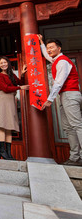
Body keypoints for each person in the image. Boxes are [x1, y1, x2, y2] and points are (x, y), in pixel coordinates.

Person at [38, 35, 82, 166]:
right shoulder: (56, 60)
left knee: (77, 125)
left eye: (51, 47)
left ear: (59, 48)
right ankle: (75, 157)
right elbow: (46, 55)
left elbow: (58, 82)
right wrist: (41, 42)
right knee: (69, 127)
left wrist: (50, 99)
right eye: (48, 48)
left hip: (70, 95)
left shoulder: (62, 61)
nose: (49, 50)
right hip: (65, 96)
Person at [0, 56, 29, 160]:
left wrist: (22, 74)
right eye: (1, 63)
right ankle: (2, 150)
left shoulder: (11, 75)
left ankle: (8, 153)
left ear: (8, 63)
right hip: (3, 99)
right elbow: (5, 88)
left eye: (5, 62)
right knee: (2, 125)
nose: (3, 64)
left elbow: (20, 83)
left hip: (11, 100)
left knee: (9, 126)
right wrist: (19, 88)